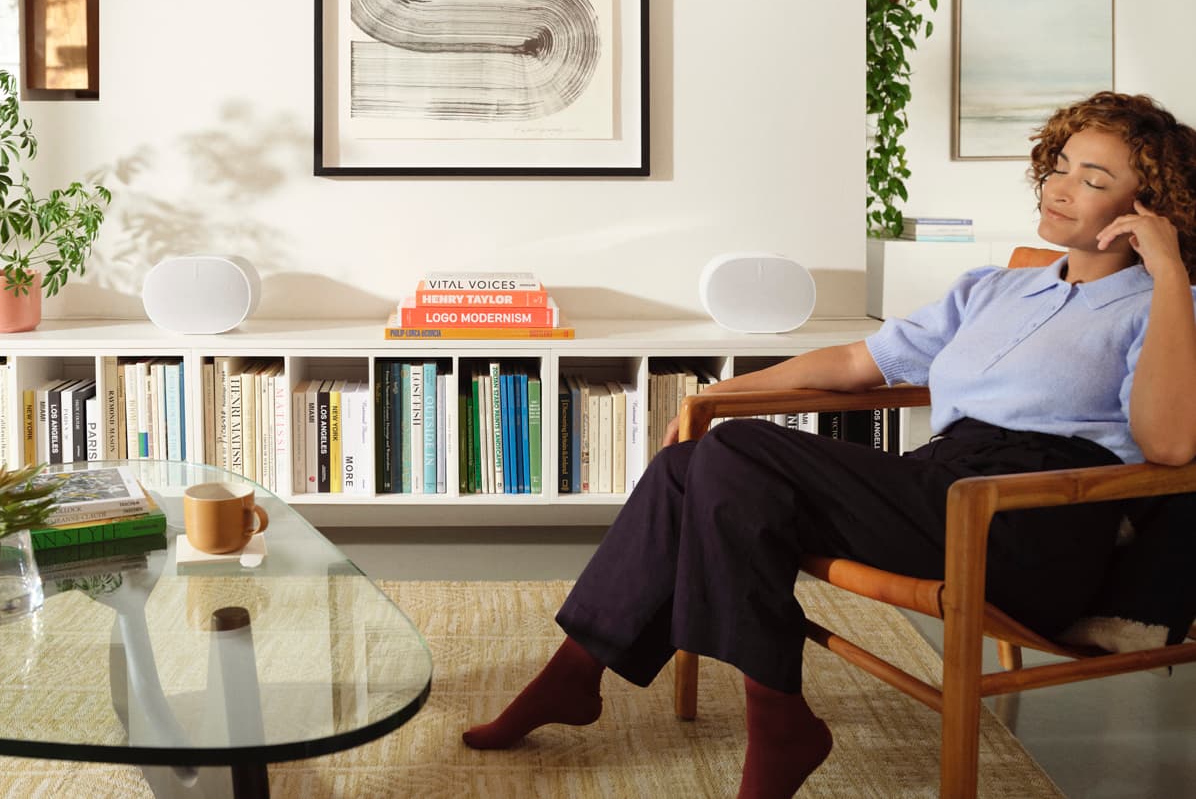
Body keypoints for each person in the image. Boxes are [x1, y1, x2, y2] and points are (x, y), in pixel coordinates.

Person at [461, 91, 1196, 798]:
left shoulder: (1168, 306)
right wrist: (716, 395)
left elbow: (1170, 445)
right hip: (940, 481)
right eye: (1061, 162)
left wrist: (1167, 271)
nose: (1061, 186)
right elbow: (855, 362)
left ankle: (761, 717)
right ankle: (589, 671)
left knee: (734, 455)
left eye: (1093, 178)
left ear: (1149, 206)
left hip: (1023, 520)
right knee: (694, 463)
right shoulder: (993, 289)